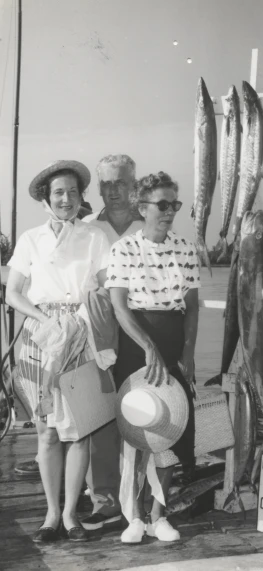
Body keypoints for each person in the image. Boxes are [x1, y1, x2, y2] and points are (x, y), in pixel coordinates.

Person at [6, 160, 111, 542]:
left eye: (72, 191)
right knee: (47, 433)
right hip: (39, 338)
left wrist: (78, 321)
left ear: (81, 196)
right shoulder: (30, 239)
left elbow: (104, 289)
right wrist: (46, 321)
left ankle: (70, 515)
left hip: (81, 334)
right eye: (58, 193)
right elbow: (13, 291)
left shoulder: (96, 237)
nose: (65, 199)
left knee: (78, 431)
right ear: (46, 199)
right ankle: (51, 514)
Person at [106, 171, 199, 543]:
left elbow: (192, 307)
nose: (169, 211)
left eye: (174, 204)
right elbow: (119, 307)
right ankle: (135, 515)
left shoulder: (186, 248)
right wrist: (147, 347)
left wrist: (189, 353)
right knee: (137, 428)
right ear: (141, 207)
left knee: (171, 428)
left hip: (174, 340)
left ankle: (160, 516)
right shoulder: (123, 249)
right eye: (162, 204)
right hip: (136, 342)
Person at [80, 155, 145, 532]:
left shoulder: (151, 222)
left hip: (142, 332)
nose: (113, 190)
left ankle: (140, 496)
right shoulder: (87, 228)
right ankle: (103, 499)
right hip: (99, 335)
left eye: (120, 182)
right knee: (101, 417)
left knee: (143, 411)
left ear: (134, 183)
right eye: (105, 184)